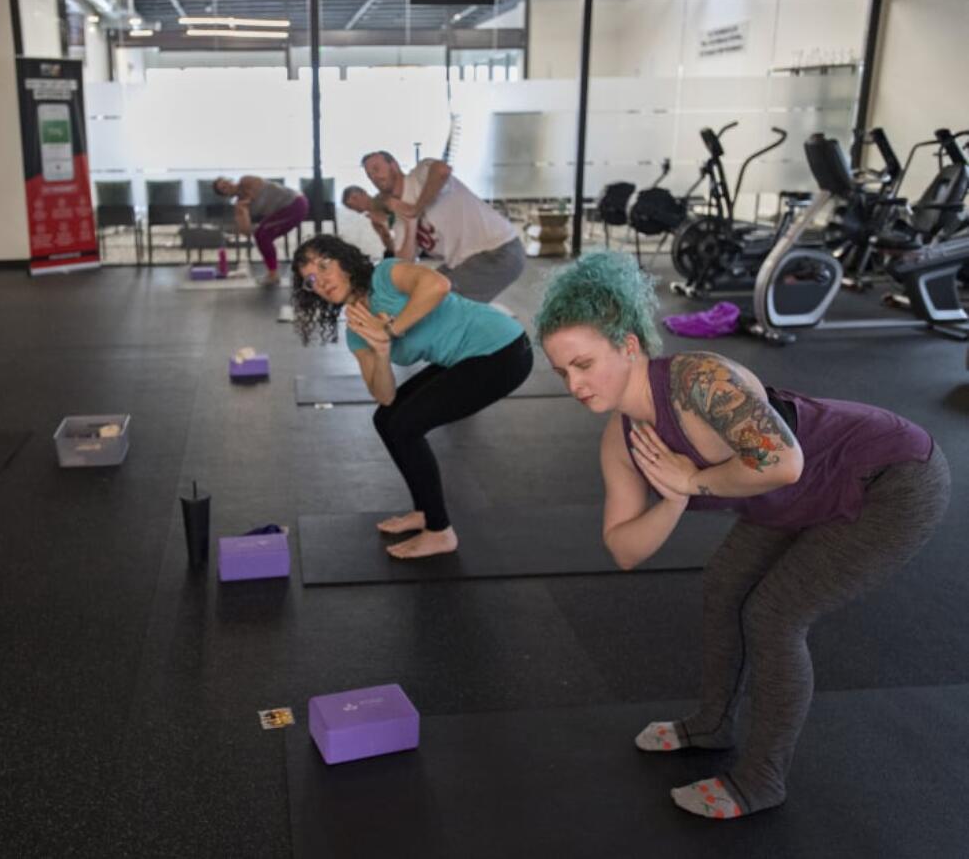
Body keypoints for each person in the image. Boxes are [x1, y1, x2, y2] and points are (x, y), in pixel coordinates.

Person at [535, 251, 950, 820]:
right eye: (563, 373)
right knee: (724, 586)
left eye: (584, 364)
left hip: (890, 478)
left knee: (774, 615)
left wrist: (695, 479)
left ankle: (761, 780)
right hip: (791, 498)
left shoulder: (700, 380)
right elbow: (625, 548)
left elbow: (782, 462)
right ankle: (710, 725)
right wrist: (676, 497)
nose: (575, 385)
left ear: (629, 345)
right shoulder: (621, 439)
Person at [291, 234, 532, 559]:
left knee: (405, 427)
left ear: (345, 263)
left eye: (324, 265)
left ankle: (440, 531)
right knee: (387, 418)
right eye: (310, 279)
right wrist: (379, 350)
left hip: (503, 350)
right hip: (467, 359)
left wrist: (390, 330)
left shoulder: (386, 275)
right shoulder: (356, 332)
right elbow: (384, 395)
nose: (320, 280)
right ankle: (424, 509)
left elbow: (438, 285)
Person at [361, 150, 525, 303]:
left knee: (435, 302)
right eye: (369, 175)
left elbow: (442, 170)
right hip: (464, 261)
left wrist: (416, 208)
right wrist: (411, 222)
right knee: (416, 293)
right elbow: (404, 262)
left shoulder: (419, 176)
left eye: (376, 169)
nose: (374, 176)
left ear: (394, 165)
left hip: (498, 250)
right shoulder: (400, 215)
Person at [212, 176, 310, 284]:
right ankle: (273, 273)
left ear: (230, 180)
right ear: (225, 195)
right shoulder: (240, 205)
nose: (227, 186)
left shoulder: (246, 180)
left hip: (295, 203)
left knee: (263, 234)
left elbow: (256, 189)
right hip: (283, 210)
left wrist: (246, 201)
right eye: (223, 188)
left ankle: (273, 274)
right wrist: (243, 210)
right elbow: (246, 231)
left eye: (225, 182)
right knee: (260, 235)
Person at [340, 184, 405, 259]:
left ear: (364, 192)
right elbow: (388, 242)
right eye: (350, 205)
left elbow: (404, 217)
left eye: (355, 198)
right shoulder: (373, 220)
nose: (355, 204)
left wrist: (385, 221)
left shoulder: (383, 199)